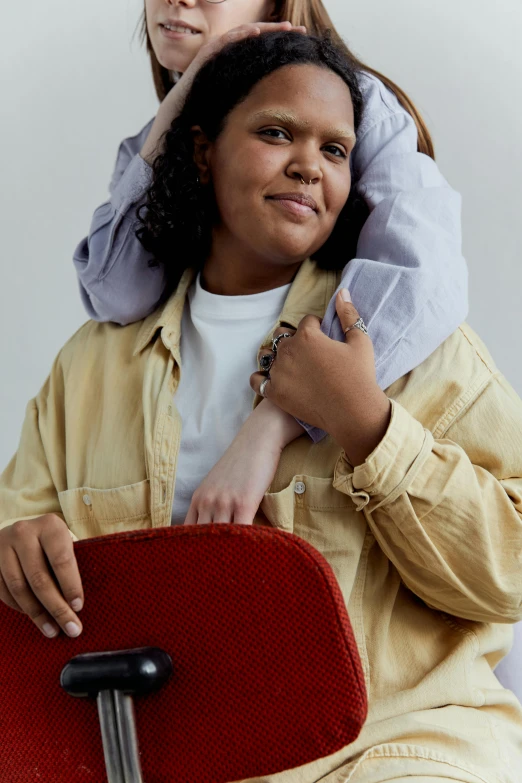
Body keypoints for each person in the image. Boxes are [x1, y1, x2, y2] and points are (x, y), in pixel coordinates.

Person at [1, 32, 521, 782]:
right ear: (205, 151)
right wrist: (15, 549)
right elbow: (17, 532)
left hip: (394, 749)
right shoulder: (91, 368)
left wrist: (370, 428)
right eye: (277, 132)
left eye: (336, 149)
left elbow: (508, 574)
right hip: (171, 761)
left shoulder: (415, 347)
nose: (310, 164)